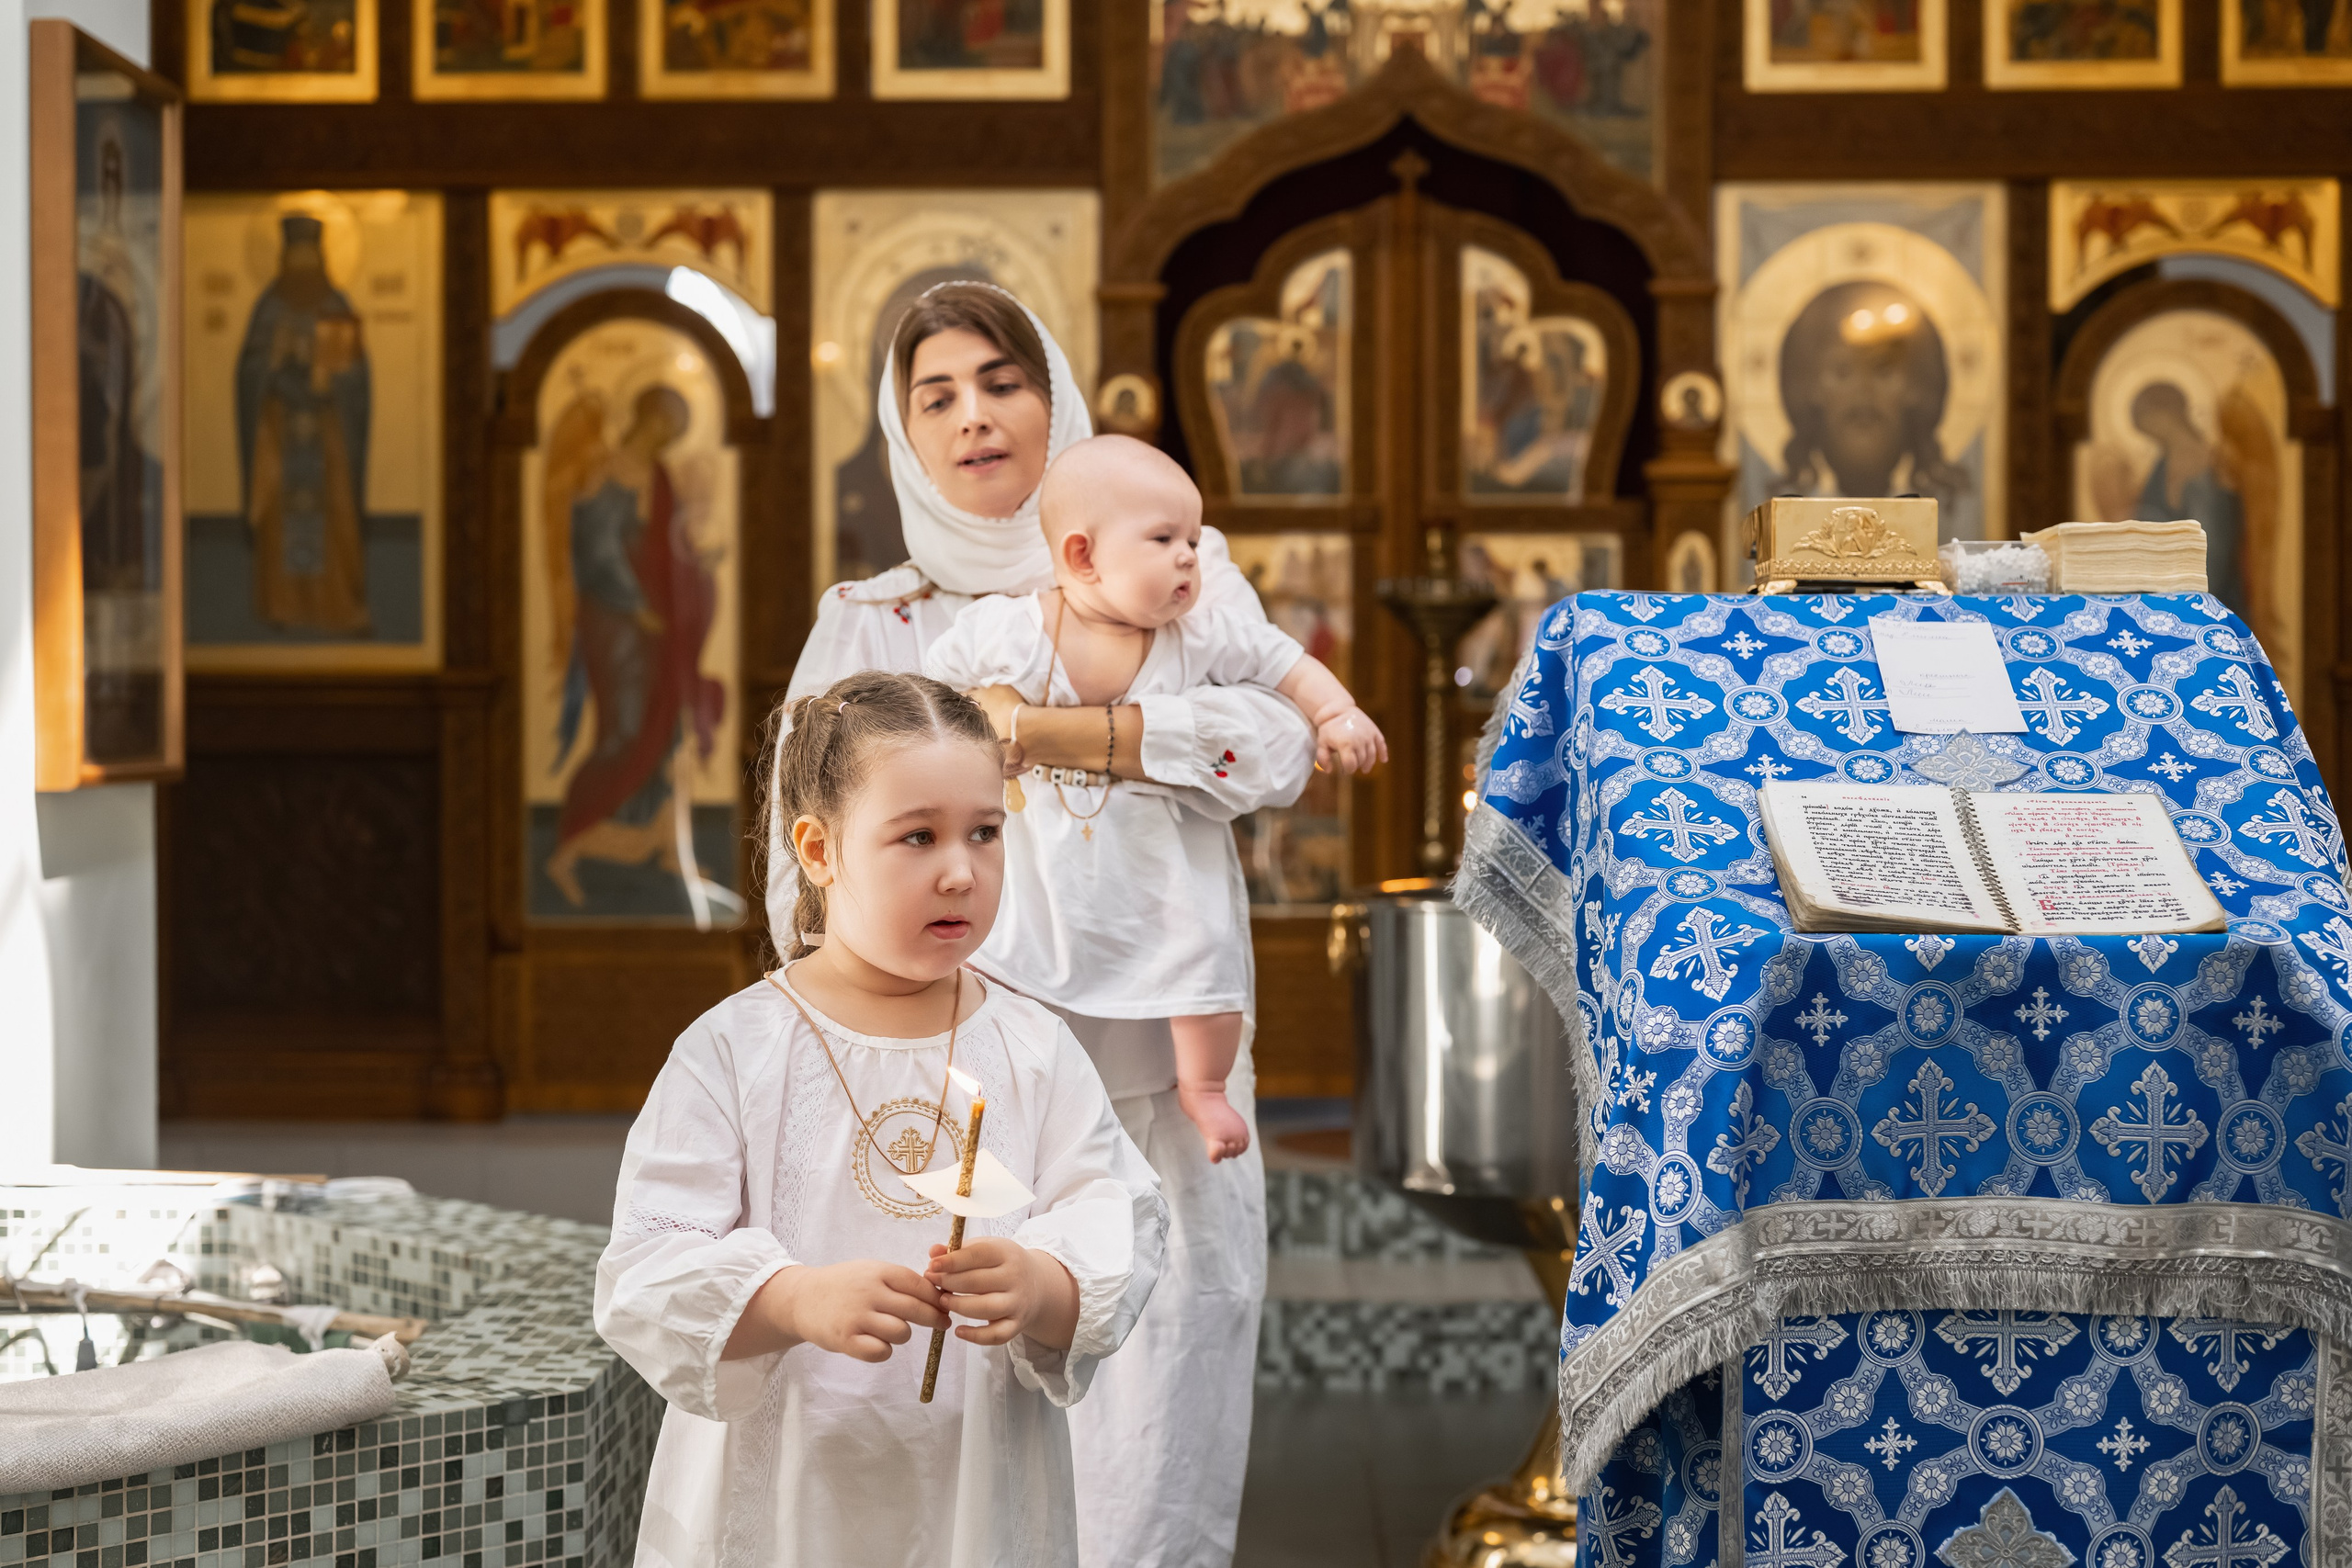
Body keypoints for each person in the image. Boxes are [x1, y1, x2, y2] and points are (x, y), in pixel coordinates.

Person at [777, 281, 1316, 1568]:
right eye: (937, 395)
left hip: (1164, 1061)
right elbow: (798, 865)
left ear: (1059, 395)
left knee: (1163, 1382)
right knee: (944, 1372)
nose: (974, 417)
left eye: (1003, 382)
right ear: (902, 433)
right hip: (951, 1066)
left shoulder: (1171, 562)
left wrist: (1071, 732)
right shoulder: (874, 618)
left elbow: (1281, 748)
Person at [596, 670, 1168, 1567]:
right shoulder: (735, 1051)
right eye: (917, 836)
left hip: (973, 1497)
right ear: (819, 852)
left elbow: (1115, 1215)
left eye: (985, 832)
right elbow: (644, 1270)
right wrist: (789, 1299)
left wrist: (1041, 1282)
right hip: (778, 1499)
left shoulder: (1031, 1047)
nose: (960, 869)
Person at [927, 435, 1383, 1163]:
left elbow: (1283, 662)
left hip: (1158, 867)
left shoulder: (1197, 631)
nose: (1188, 558)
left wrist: (1337, 713)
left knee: (1204, 956)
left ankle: (1202, 1088)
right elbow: (936, 685)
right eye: (1166, 539)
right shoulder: (1013, 629)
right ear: (1083, 557)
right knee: (999, 966)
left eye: (1194, 541)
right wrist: (985, 725)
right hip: (1045, 873)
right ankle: (991, 1098)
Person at [1772, 277, 1967, 516]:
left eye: (1884, 371)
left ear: (1917, 389)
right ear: (1810, 388)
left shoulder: (1942, 518)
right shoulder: (1794, 519)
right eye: (1842, 372)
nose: (1864, 393)